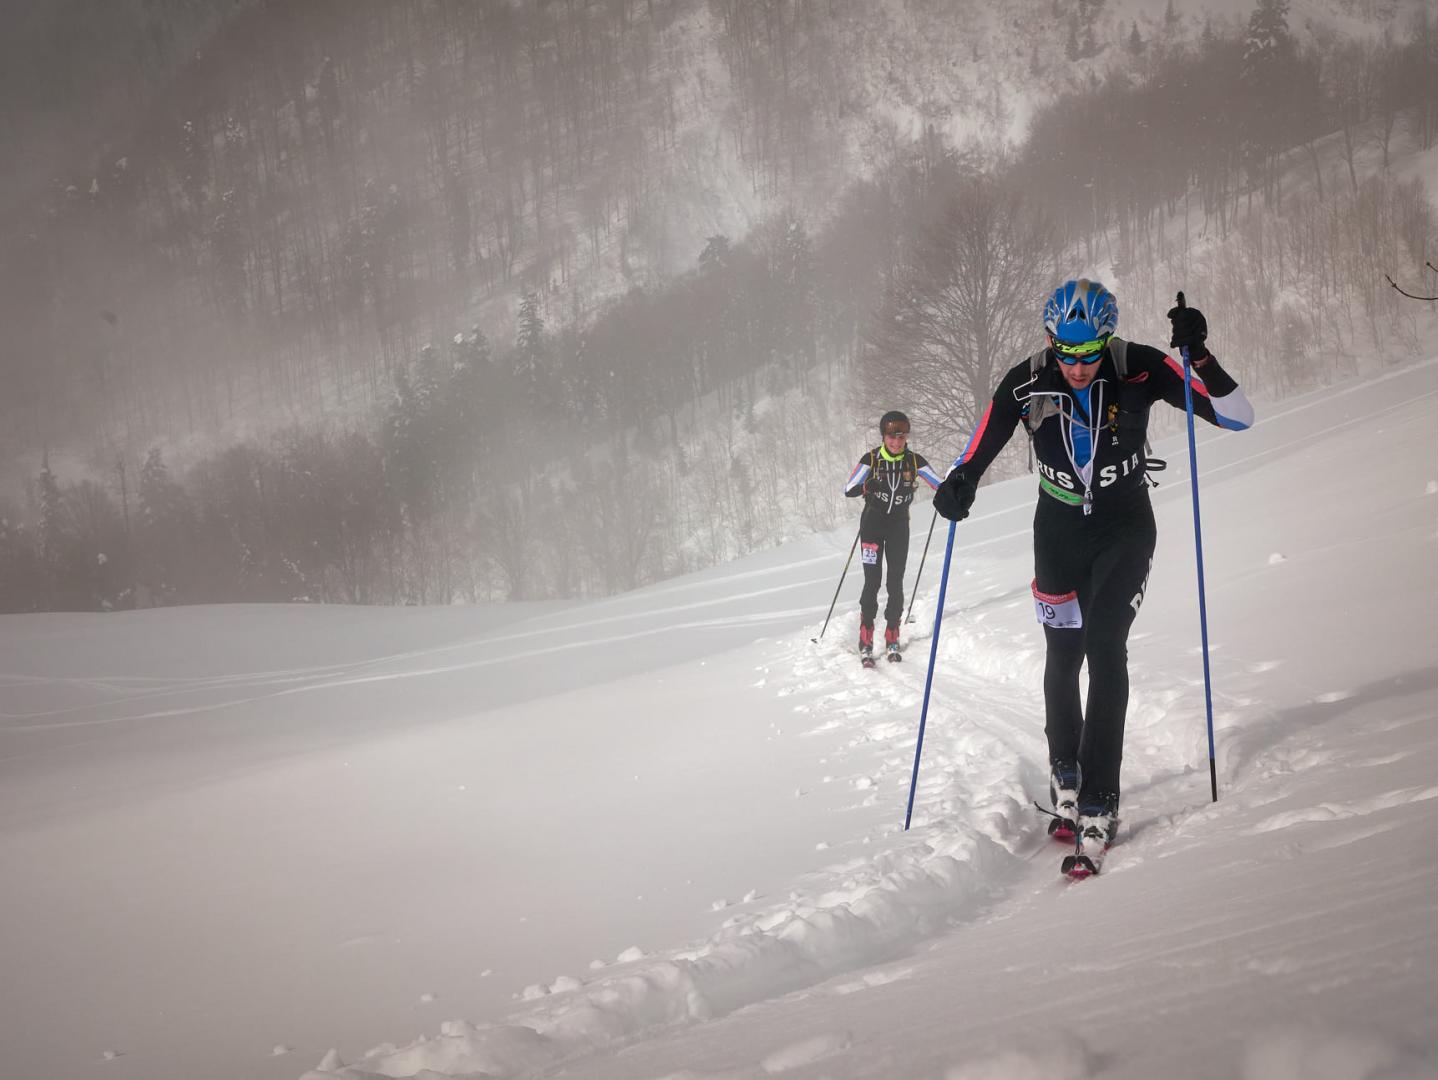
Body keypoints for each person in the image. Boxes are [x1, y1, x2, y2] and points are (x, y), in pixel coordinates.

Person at [932, 280, 1253, 875]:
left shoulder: (1139, 366)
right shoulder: (1027, 378)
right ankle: (1066, 775)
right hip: (1056, 529)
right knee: (1063, 650)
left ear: (1106, 339)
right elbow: (980, 446)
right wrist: (961, 486)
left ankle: (1101, 800)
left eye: (1088, 353)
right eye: (1066, 353)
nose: (1077, 367)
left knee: (1106, 645)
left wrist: (1200, 355)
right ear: (1051, 341)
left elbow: (1238, 418)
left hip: (1125, 524)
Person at [843, 411, 943, 664]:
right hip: (872, 525)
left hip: (899, 526)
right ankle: (865, 640)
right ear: (884, 437)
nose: (897, 442)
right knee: (872, 581)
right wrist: (867, 486)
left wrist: (956, 487)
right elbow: (849, 489)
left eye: (901, 437)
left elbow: (939, 484)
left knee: (895, 581)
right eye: (891, 437)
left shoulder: (914, 461)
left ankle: (892, 636)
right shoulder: (872, 460)